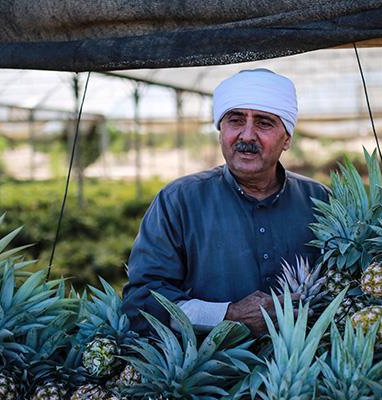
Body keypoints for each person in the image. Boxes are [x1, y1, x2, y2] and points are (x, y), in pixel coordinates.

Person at [121, 69, 329, 336]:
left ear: (286, 138)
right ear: (220, 130)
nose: (247, 136)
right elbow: (142, 302)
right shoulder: (178, 201)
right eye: (235, 120)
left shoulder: (320, 201)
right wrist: (227, 315)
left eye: (264, 123)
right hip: (210, 372)